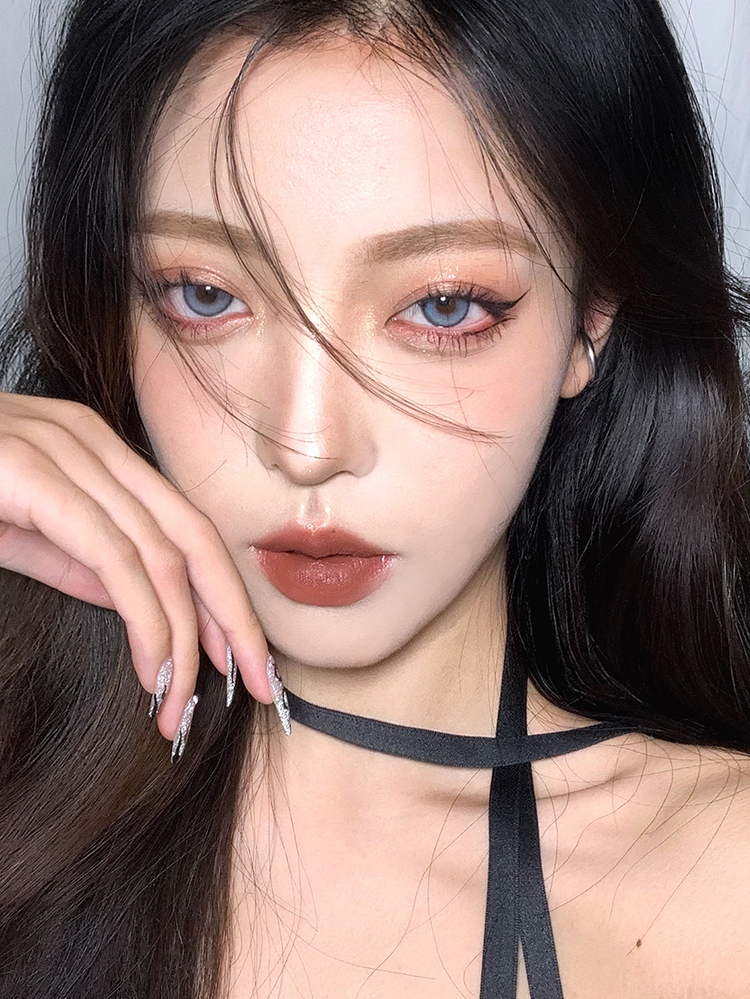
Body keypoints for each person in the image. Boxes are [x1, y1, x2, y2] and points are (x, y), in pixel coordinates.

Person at [1, 0, 749, 995]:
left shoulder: (725, 888)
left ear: (589, 319)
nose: (308, 446)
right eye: (206, 294)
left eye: (443, 305)